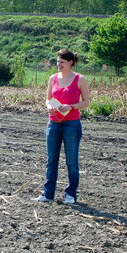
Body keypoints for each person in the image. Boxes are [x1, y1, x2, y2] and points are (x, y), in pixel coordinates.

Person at [33, 49, 89, 204]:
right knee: (51, 161)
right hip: (53, 123)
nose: (59, 65)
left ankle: (70, 194)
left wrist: (71, 106)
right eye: (57, 62)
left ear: (70, 62)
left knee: (72, 162)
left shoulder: (80, 79)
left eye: (62, 62)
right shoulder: (53, 78)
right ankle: (47, 194)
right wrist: (48, 106)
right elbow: (47, 99)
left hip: (72, 124)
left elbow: (86, 101)